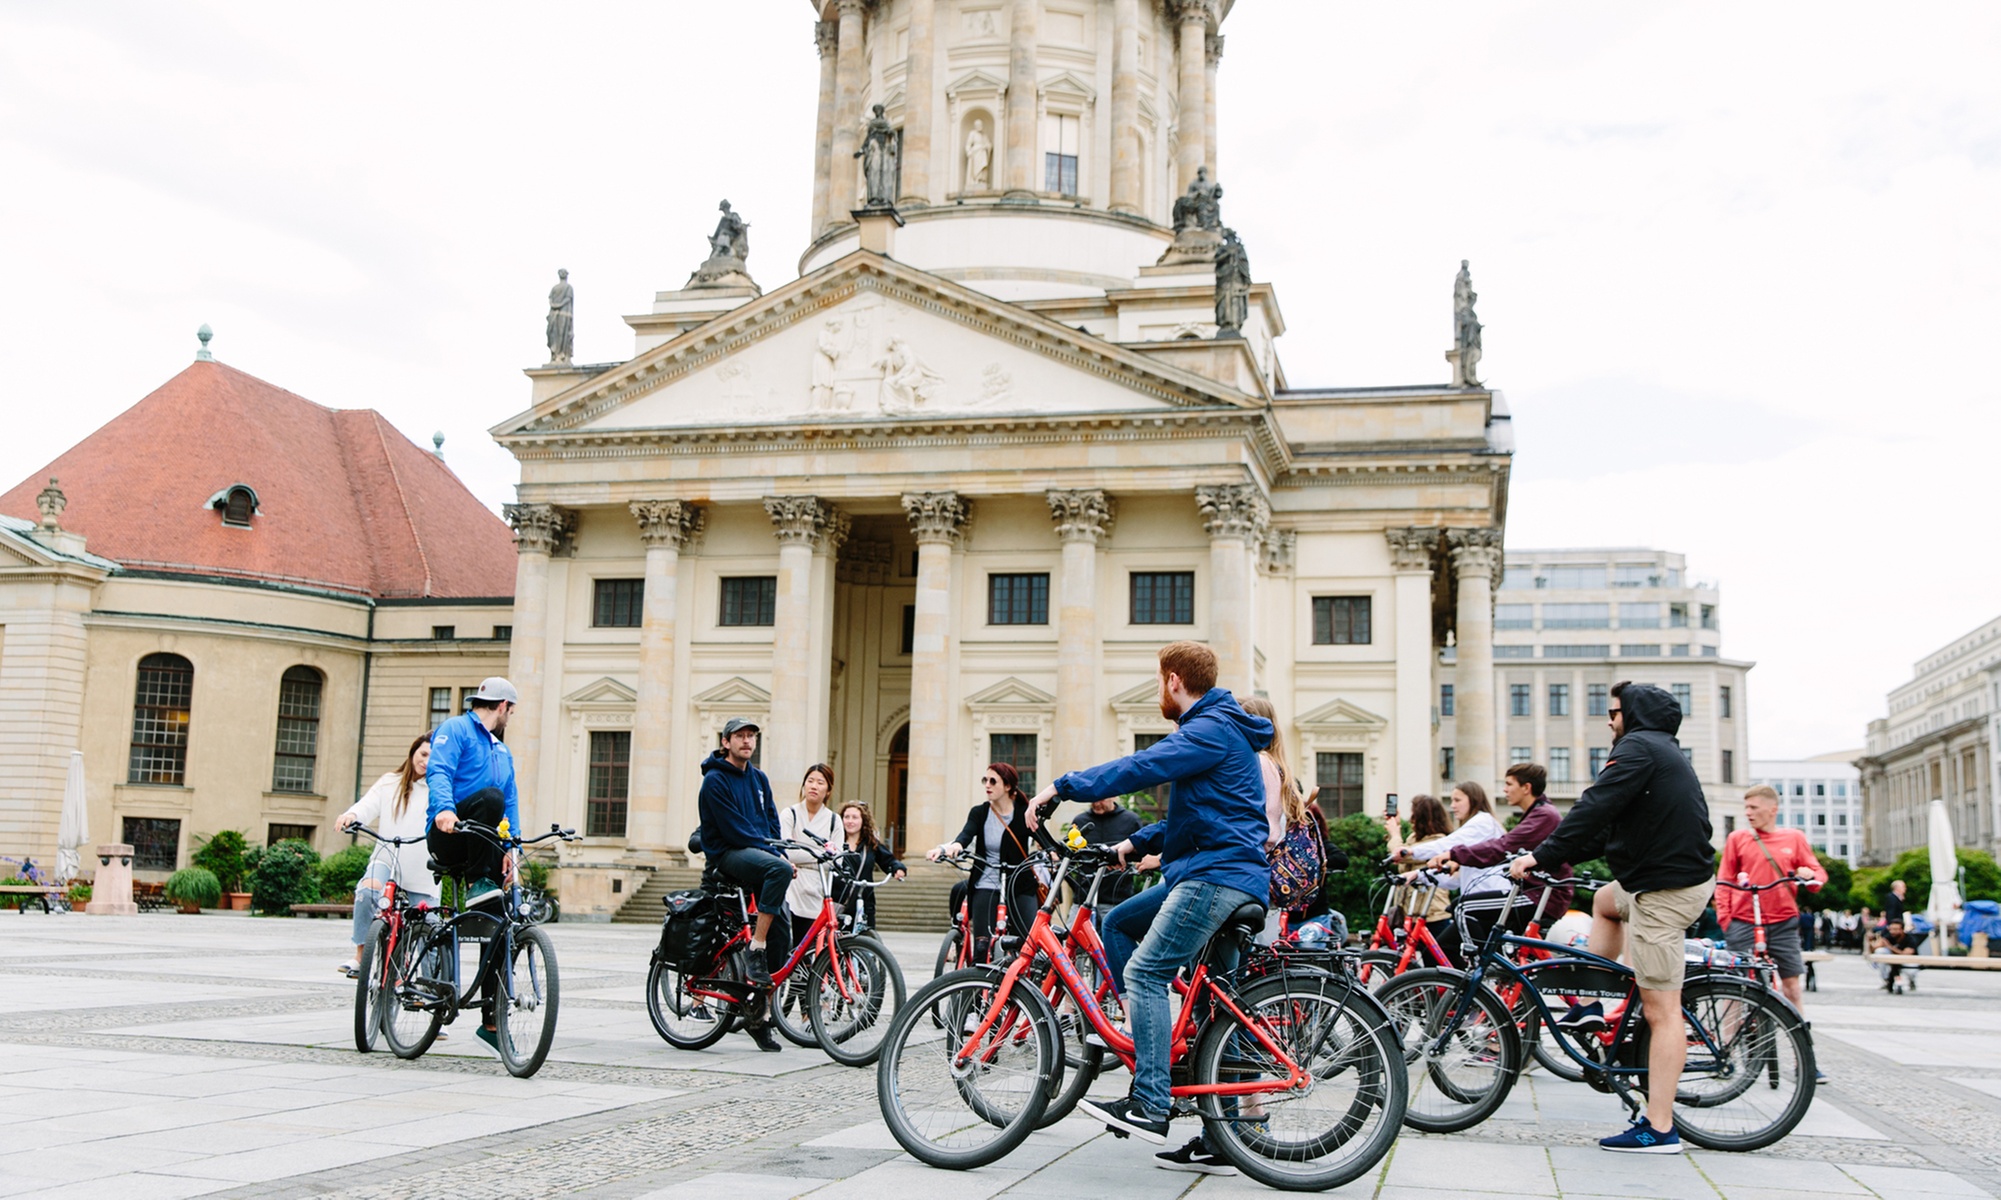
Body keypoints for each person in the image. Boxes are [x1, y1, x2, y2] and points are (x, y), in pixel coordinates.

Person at [1024, 640, 1273, 1148]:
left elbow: (1141, 767)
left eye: (1160, 680)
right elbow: (1201, 816)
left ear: (1174, 681)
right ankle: (1227, 1133)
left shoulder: (1207, 728)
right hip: (1227, 871)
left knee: (1146, 971)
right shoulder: (1220, 728)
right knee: (1212, 1003)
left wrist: (1062, 787)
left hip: (1216, 877)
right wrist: (1133, 844)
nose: (1161, 688)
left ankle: (1151, 1100)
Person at [1510, 681, 1715, 1154]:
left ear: (1634, 715)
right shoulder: (1659, 750)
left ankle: (1660, 1127)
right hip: (1657, 877)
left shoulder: (1639, 748)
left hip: (1665, 891)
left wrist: (1540, 857)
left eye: (1614, 712)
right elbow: (1609, 831)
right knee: (1605, 901)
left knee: (1663, 1011)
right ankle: (1595, 1003)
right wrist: (1558, 857)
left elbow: (1594, 807)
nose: (1609, 720)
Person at [426, 677, 525, 1052]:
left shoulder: (502, 751)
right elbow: (439, 772)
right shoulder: (456, 729)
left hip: (484, 849)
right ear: (502, 706)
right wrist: (444, 809)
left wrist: (511, 850)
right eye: (510, 713)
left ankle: (491, 1025)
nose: (509, 719)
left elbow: (511, 804)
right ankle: (478, 883)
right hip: (449, 836)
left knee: (504, 928)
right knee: (490, 797)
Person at [696, 718, 792, 1053]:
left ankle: (757, 1012)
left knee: (785, 931)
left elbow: (771, 822)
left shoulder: (759, 778)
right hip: (728, 855)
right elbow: (735, 832)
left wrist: (779, 851)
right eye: (740, 736)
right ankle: (756, 946)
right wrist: (775, 858)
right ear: (726, 742)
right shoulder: (714, 780)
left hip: (758, 855)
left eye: (751, 736)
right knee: (778, 871)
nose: (747, 741)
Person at [1438, 763, 1572, 964]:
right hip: (1534, 893)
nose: (1505, 789)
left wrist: (1454, 854)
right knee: (1473, 916)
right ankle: (1496, 970)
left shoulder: (1543, 815)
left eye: (1509, 784)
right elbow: (1508, 852)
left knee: (1464, 907)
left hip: (1540, 895)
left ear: (1526, 788)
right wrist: (1460, 862)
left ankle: (1480, 972)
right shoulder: (1538, 813)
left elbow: (1502, 847)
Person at [335, 734, 440, 980]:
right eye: (423, 754)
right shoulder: (389, 782)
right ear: (413, 752)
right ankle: (361, 955)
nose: (426, 762)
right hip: (387, 858)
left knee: (431, 928)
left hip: (422, 869)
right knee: (367, 892)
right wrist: (351, 815)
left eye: (432, 758)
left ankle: (429, 984)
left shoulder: (440, 789)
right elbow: (367, 805)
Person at [927, 762, 1054, 961]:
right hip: (986, 882)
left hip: (1019, 884)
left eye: (993, 781)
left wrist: (1055, 854)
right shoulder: (980, 812)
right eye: (985, 780)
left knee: (1028, 942)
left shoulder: (1024, 812)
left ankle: (1021, 988)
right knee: (982, 945)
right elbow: (964, 837)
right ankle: (976, 990)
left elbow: (1046, 842)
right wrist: (948, 848)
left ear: (1008, 786)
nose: (987, 785)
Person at [1718, 784, 1826, 1017]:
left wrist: (1810, 875)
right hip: (1744, 921)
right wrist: (1726, 919)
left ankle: (1800, 1037)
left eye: (1753, 807)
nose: (1748, 813)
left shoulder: (1794, 838)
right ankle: (1726, 1043)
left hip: (1783, 921)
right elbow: (1724, 880)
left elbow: (1818, 875)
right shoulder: (1738, 838)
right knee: (1734, 986)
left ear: (1772, 809)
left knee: (1792, 986)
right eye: (1746, 807)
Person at [779, 763, 842, 948]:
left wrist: (804, 852)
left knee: (810, 949)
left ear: (828, 790)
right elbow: (786, 852)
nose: (814, 786)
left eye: (820, 782)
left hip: (817, 888)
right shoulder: (789, 814)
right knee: (785, 943)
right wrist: (820, 854)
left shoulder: (833, 820)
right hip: (790, 884)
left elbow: (835, 860)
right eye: (810, 781)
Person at [838, 801, 905, 929]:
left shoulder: (870, 844)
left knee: (867, 941)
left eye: (855, 817)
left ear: (863, 821)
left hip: (863, 901)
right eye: (846, 817)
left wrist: (897, 868)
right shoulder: (835, 842)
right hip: (839, 901)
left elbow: (888, 860)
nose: (850, 821)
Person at [1875, 917, 1921, 993]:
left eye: (1896, 929)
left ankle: (1911, 980)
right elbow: (1875, 948)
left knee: (1911, 972)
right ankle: (1886, 979)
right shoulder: (1889, 937)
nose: (1892, 931)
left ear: (1902, 930)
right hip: (1893, 961)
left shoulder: (1910, 939)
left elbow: (1905, 954)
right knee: (1880, 952)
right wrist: (1869, 942)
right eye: (1891, 929)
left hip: (1908, 961)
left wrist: (1890, 947)